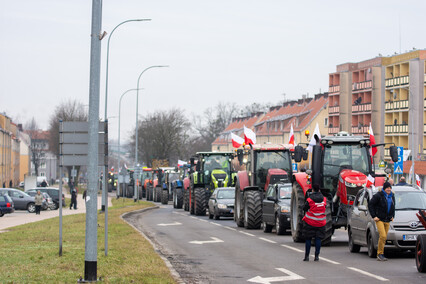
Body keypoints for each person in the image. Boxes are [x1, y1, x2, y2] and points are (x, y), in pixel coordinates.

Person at [368, 181, 395, 261]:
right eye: (387, 188)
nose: (389, 189)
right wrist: (374, 216)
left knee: (384, 237)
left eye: (390, 188)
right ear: (384, 188)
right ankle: (380, 254)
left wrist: (392, 216)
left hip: (387, 219)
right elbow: (371, 205)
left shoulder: (392, 196)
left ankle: (381, 253)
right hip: (379, 219)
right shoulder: (378, 196)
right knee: (382, 236)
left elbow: (393, 206)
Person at [302, 184, 327, 262]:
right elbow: (324, 207)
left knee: (308, 239)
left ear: (312, 190)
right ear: (319, 190)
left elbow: (304, 208)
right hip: (321, 223)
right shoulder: (324, 199)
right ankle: (316, 256)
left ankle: (307, 256)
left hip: (310, 222)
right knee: (318, 239)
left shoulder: (310, 199)